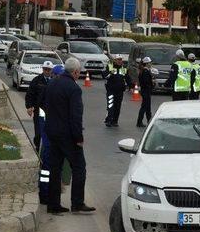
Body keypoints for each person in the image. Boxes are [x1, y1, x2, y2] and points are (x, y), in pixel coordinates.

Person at [44, 57, 95, 214]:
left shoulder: (52, 83)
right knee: (79, 167)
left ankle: (53, 204)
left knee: (55, 168)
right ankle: (77, 203)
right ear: (75, 72)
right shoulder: (73, 88)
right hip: (68, 136)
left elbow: (45, 105)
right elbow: (75, 116)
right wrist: (78, 138)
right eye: (79, 73)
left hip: (52, 133)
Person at [25, 60, 54, 152]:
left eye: (49, 70)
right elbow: (30, 94)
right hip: (39, 110)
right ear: (43, 69)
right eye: (45, 69)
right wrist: (29, 107)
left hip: (51, 112)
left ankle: (47, 151)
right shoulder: (37, 80)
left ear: (51, 70)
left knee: (49, 132)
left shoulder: (55, 81)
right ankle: (38, 148)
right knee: (38, 132)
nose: (47, 71)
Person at [102, 56, 131, 127]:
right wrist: (110, 74)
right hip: (111, 90)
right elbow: (105, 76)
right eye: (118, 60)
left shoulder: (123, 68)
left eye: (121, 60)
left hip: (120, 91)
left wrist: (131, 85)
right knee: (111, 105)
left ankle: (115, 121)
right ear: (114, 60)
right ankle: (109, 121)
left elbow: (127, 78)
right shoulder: (110, 67)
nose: (120, 61)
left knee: (118, 106)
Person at [137, 56, 153, 127]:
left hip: (145, 91)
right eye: (149, 63)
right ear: (146, 63)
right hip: (146, 91)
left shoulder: (143, 70)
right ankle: (139, 122)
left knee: (147, 107)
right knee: (144, 107)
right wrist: (152, 84)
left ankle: (149, 121)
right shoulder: (145, 71)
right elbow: (146, 82)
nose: (150, 64)